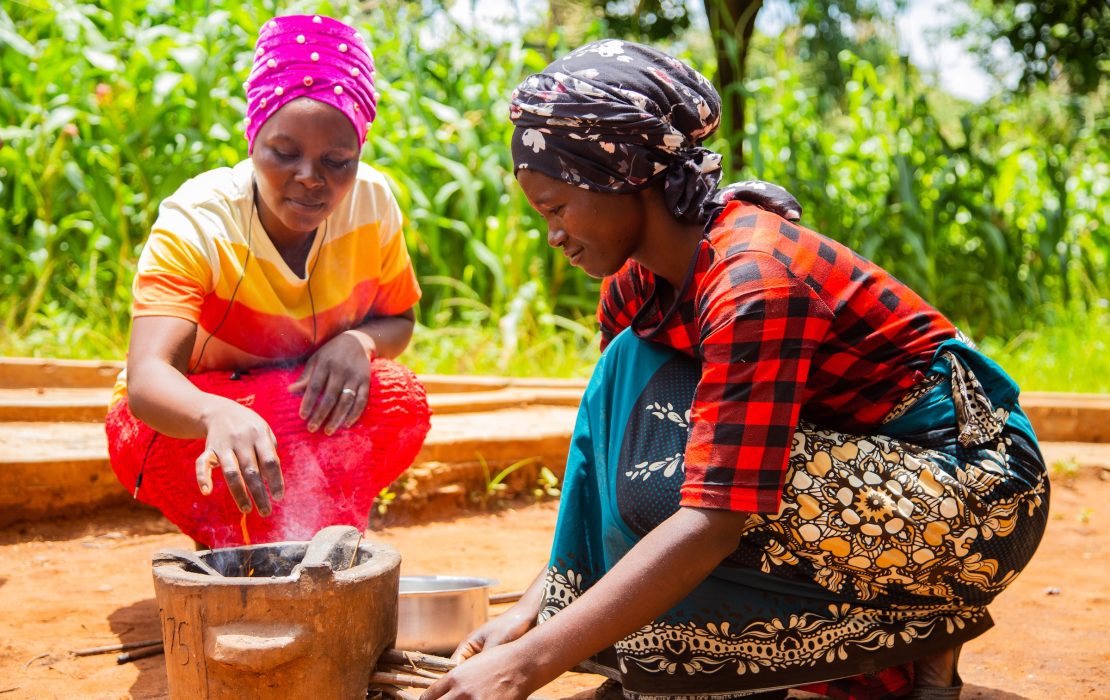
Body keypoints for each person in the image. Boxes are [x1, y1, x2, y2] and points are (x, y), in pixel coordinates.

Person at [422, 40, 1049, 700]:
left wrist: (529, 664)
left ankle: (908, 642)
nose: (551, 233)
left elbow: (715, 517)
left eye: (555, 208)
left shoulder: (755, 282)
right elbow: (597, 456)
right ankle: (729, 667)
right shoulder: (637, 289)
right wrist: (538, 606)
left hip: (977, 498)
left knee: (672, 479)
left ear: (626, 176)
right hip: (861, 472)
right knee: (630, 405)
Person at [105, 14, 431, 549]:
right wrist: (215, 412)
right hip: (180, 424)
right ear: (253, 137)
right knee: (261, 425)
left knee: (396, 398)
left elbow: (398, 319)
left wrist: (359, 341)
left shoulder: (372, 203)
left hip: (295, 405)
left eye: (337, 160)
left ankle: (317, 544)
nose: (310, 176)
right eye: (284, 153)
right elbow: (145, 382)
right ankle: (236, 550)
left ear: (359, 153)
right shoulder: (200, 220)